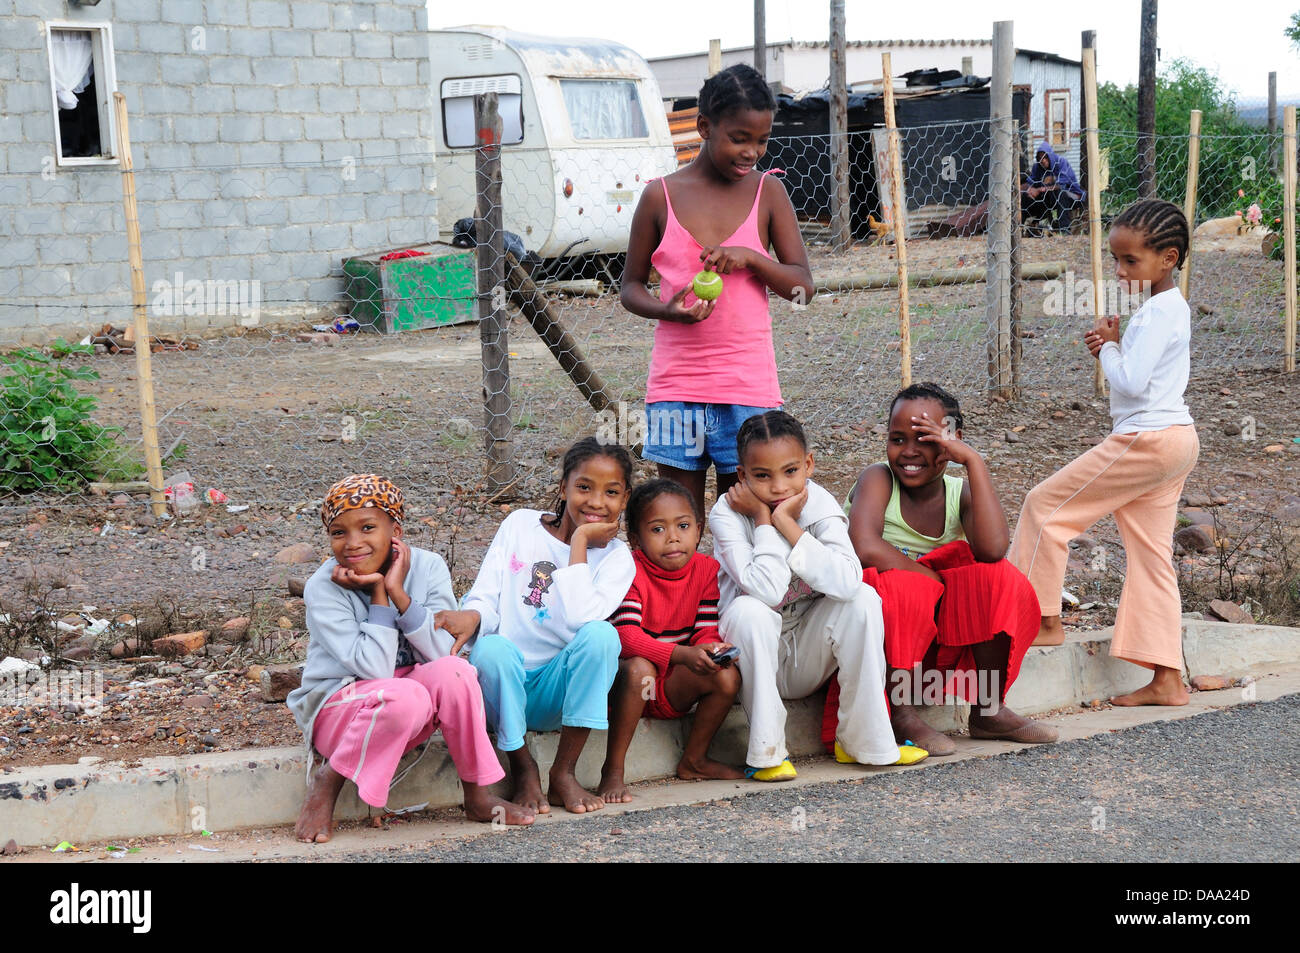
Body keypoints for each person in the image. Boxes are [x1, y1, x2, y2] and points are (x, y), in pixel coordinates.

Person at [1009, 198, 1198, 706]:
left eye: (1130, 261)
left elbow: (1132, 383)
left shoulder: (1158, 312)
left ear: (1169, 258)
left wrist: (1108, 348)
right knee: (1152, 557)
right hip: (1178, 439)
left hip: (1147, 438)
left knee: (1044, 506)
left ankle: (1042, 620)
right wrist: (1117, 345)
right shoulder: (1170, 307)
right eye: (1116, 259)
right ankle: (1167, 679)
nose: (1119, 270)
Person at [288, 474, 532, 843]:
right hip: (340, 707)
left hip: (406, 708)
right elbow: (374, 669)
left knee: (456, 673)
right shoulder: (323, 586)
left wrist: (398, 593)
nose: (353, 543)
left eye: (367, 527)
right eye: (339, 532)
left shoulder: (429, 566)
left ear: (395, 531)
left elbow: (443, 652)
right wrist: (377, 595)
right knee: (406, 695)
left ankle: (478, 795)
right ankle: (328, 779)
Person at [621, 63, 815, 522]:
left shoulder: (769, 193)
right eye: (739, 137)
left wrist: (752, 258)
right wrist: (667, 311)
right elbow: (629, 287)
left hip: (748, 387)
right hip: (676, 385)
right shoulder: (659, 197)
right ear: (705, 127)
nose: (752, 151)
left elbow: (803, 288)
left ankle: (742, 597)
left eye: (761, 140)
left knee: (748, 518)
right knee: (676, 519)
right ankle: (685, 596)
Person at [710, 411, 928, 780]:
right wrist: (764, 522)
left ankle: (866, 743)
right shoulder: (727, 514)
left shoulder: (819, 503)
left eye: (790, 471)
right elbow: (765, 590)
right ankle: (767, 754)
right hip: (756, 658)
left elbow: (846, 581)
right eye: (762, 476)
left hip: (809, 654)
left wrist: (788, 526)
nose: (779, 487)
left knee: (862, 599)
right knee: (748, 610)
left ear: (808, 465)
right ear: (742, 476)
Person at [841, 384, 1058, 754]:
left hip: (937, 635)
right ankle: (899, 711)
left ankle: (988, 710)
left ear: (953, 441)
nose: (909, 452)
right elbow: (864, 547)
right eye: (897, 439)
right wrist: (927, 578)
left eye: (925, 439)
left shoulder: (959, 492)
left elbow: (991, 550)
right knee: (899, 584)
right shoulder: (878, 479)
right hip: (880, 632)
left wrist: (973, 462)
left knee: (998, 578)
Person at [437, 438, 636, 814]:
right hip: (502, 686)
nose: (596, 501)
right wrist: (473, 615)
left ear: (624, 499)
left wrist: (579, 540)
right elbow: (487, 590)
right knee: (492, 649)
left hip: (557, 692)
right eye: (583, 487)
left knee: (602, 636)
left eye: (611, 492)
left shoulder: (617, 559)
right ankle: (523, 767)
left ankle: (564, 773)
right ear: (563, 488)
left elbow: (581, 617)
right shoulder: (520, 525)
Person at [600, 479, 744, 802]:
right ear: (634, 539)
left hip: (673, 688)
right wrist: (681, 655)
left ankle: (694, 760)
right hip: (630, 688)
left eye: (682, 525)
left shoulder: (706, 569)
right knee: (640, 668)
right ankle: (612, 771)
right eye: (657, 530)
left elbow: (705, 628)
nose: (673, 537)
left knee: (726, 676)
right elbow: (626, 637)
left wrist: (710, 648)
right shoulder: (630, 571)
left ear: (699, 529)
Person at [1021, 141, 1085, 233]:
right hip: (1050, 197)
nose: (1043, 160)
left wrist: (1039, 189)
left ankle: (1064, 230)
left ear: (1050, 156)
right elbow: (1030, 182)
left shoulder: (1061, 162)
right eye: (1040, 158)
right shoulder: (1037, 167)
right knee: (1026, 197)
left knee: (1060, 193)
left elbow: (1062, 184)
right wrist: (1028, 190)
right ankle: (1020, 227)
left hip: (1072, 196)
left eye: (1045, 157)